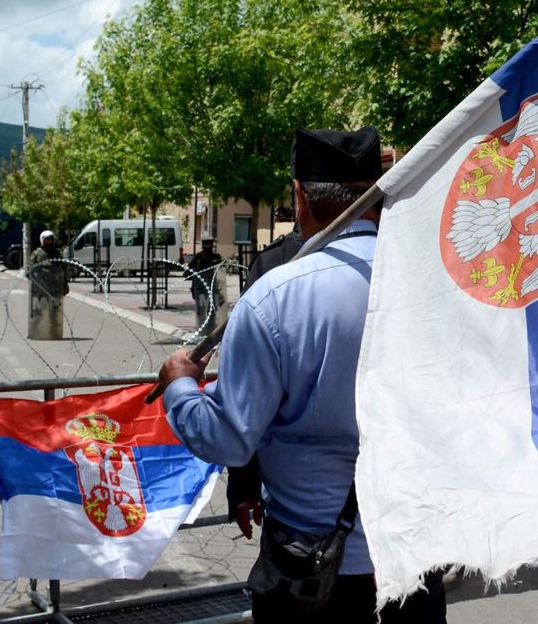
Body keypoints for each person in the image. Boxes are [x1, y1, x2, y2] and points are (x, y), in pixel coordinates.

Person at [155, 127, 446, 622]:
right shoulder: (437, 284)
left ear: (299, 197)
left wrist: (179, 383)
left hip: (312, 575)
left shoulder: (276, 298)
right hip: (417, 559)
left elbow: (229, 439)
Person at [229, 226, 304, 540]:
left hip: (297, 502)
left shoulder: (278, 264)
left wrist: (244, 481)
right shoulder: (397, 254)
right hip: (396, 498)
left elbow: (247, 390)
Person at [186, 237, 223, 335]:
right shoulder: (198, 257)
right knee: (201, 311)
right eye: (206, 244)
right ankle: (202, 330)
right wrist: (191, 273)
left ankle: (211, 330)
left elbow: (223, 267)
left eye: (209, 244)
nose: (207, 247)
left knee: (212, 310)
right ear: (203, 245)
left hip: (213, 288)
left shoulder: (216, 257)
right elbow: (188, 271)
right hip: (200, 288)